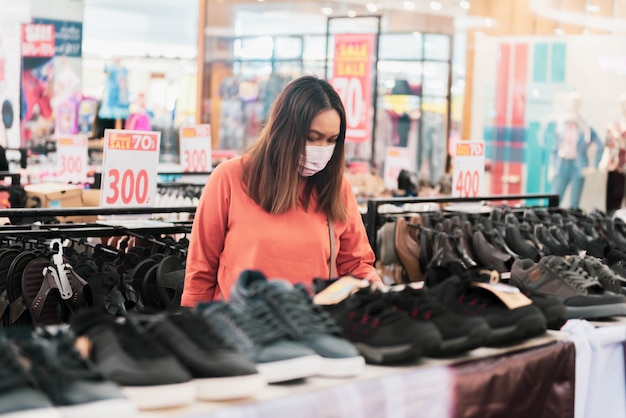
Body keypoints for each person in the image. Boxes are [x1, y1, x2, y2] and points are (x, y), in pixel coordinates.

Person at [181, 75, 382, 306]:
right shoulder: (230, 178)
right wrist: (195, 326)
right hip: (240, 328)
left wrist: (381, 292)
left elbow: (356, 264)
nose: (322, 149)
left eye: (331, 140)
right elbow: (201, 268)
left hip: (308, 327)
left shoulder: (338, 188)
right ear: (283, 130)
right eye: (311, 138)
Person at [550, 91, 603, 209]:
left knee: (574, 204)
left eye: (576, 101)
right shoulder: (561, 124)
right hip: (562, 164)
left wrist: (594, 166)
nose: (573, 104)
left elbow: (600, 145)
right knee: (554, 201)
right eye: (571, 101)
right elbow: (554, 148)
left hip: (578, 166)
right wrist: (552, 166)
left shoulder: (585, 126)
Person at [602, 93, 626, 214]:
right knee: (612, 206)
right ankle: (610, 229)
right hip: (615, 168)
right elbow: (608, 146)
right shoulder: (613, 126)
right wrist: (603, 161)